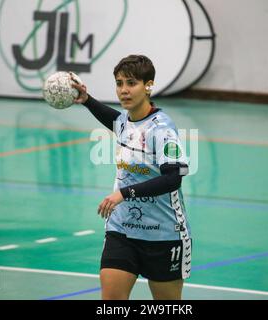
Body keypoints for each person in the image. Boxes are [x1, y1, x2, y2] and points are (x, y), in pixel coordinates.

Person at [71, 54, 191, 300]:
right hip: (122, 230)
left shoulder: (162, 129)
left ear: (148, 86)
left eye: (131, 83)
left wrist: (124, 193)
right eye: (119, 83)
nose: (123, 90)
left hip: (163, 234)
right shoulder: (126, 120)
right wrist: (87, 100)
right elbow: (115, 120)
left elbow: (173, 178)